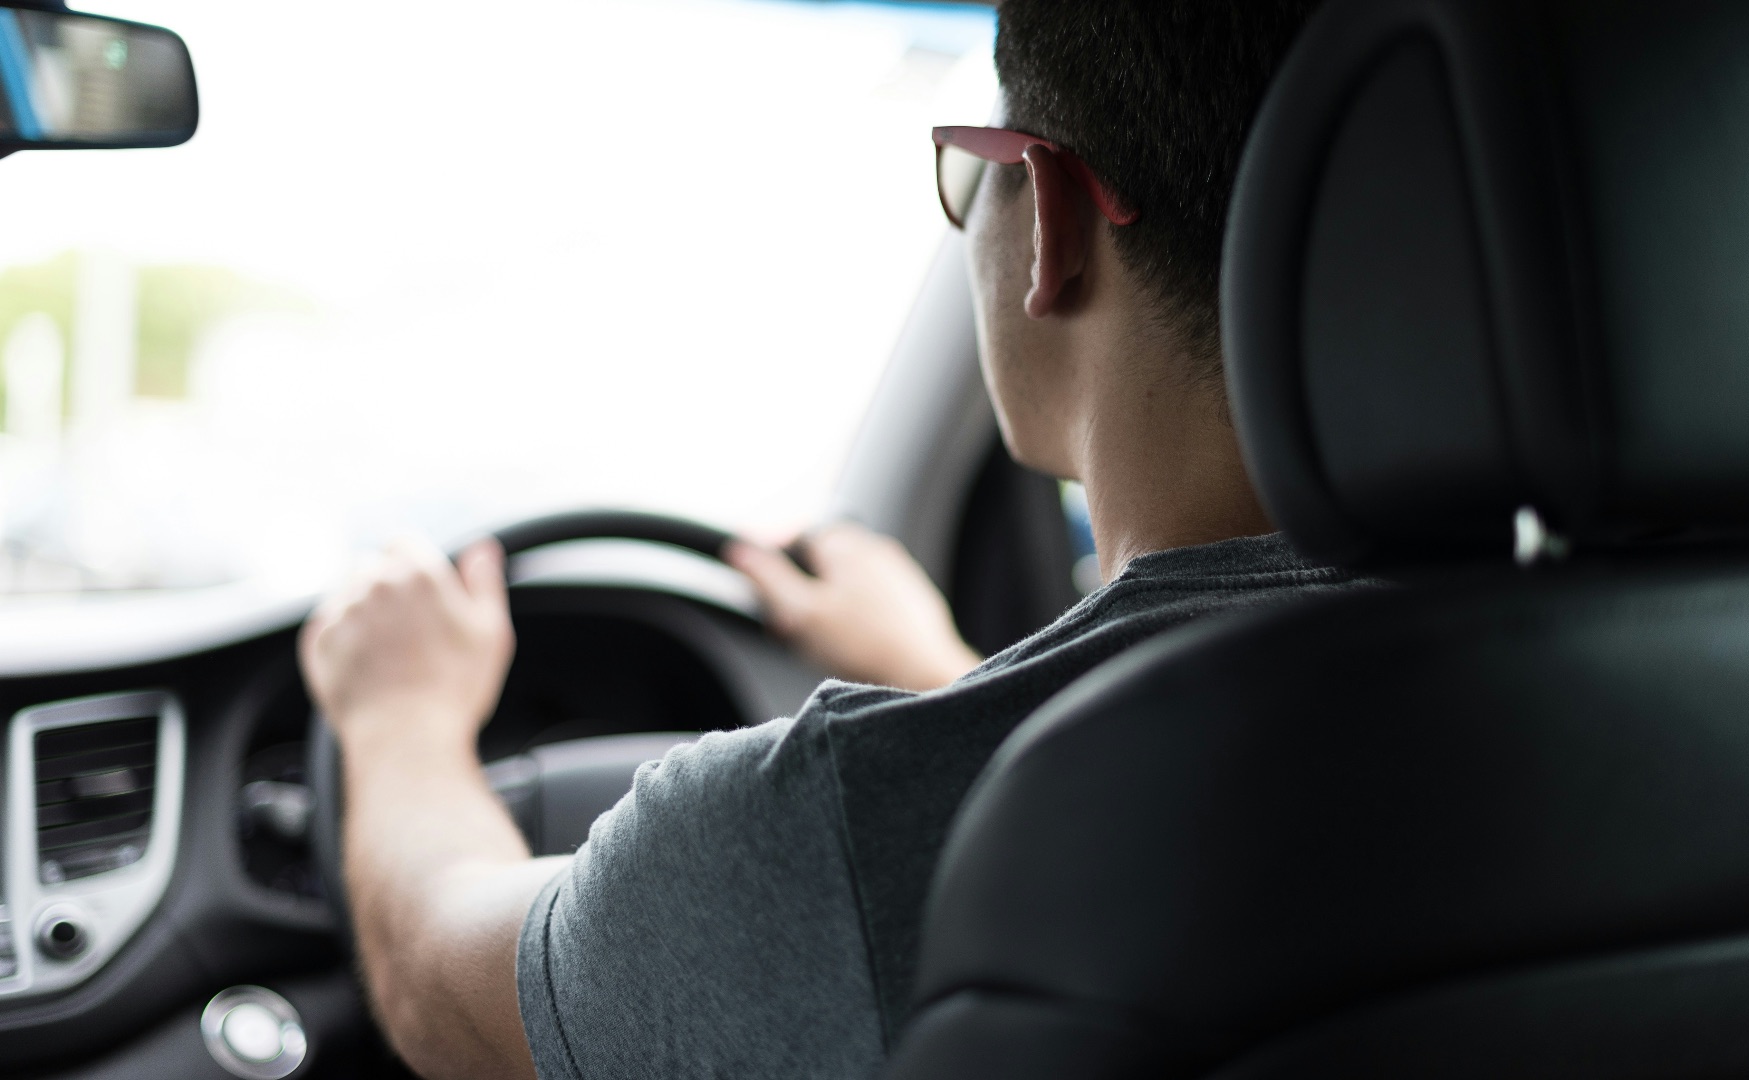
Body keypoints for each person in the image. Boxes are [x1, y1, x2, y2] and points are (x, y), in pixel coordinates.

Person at [296, 2, 1339, 1078]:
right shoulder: (1505, 665)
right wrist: (936, 674)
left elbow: (443, 987)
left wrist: (401, 720)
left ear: (1051, 223)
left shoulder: (839, 825)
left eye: (971, 171)